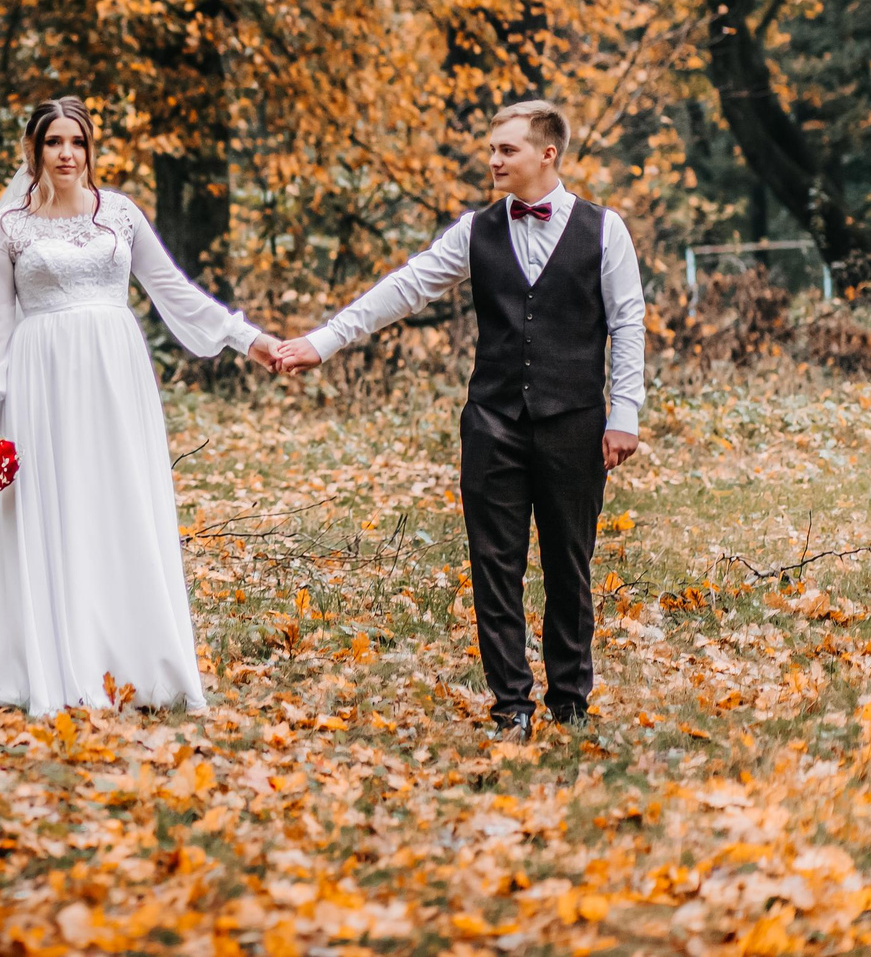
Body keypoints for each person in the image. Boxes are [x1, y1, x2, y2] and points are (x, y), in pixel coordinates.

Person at [271, 99, 644, 736]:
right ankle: (511, 706)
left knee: (568, 563)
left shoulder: (604, 230)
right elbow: (407, 286)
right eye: (493, 148)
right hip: (493, 420)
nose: (493, 159)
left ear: (546, 154)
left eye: (507, 150)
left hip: (574, 420)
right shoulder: (476, 230)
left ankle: (570, 702)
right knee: (494, 563)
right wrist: (324, 341)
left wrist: (625, 412)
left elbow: (628, 320)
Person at [0, 97, 279, 716]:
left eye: (76, 142)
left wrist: (251, 340)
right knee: (57, 508)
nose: (66, 154)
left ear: (90, 149)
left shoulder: (122, 217)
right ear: (35, 150)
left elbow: (175, 293)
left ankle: (136, 661)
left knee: (120, 502)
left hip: (115, 371)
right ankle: (59, 661)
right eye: (53, 142)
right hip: (41, 377)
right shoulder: (6, 231)